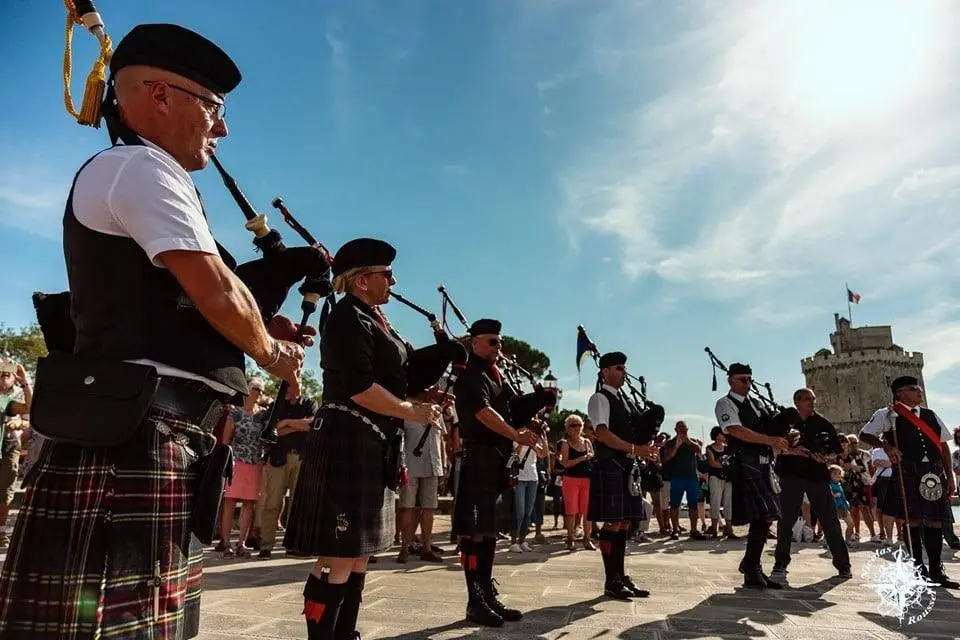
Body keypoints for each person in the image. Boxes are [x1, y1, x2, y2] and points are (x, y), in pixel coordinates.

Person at [0, 23, 313, 639]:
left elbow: (186, 303)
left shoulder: (148, 173)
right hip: (135, 437)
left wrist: (254, 325)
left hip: (150, 431)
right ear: (159, 95)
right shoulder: (140, 166)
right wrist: (273, 353)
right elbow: (217, 291)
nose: (222, 129)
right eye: (214, 108)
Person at [281, 238, 461, 638]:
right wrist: (410, 410)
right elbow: (360, 388)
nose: (393, 281)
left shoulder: (376, 320)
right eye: (387, 274)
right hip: (348, 438)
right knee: (338, 554)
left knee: (359, 555)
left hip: (372, 441)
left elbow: (405, 373)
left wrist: (447, 352)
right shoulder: (347, 319)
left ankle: (345, 632)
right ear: (362, 280)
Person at [451, 318, 555, 627]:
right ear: (475, 343)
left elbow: (512, 407)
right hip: (479, 455)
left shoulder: (496, 375)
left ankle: (486, 593)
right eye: (492, 341)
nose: (499, 346)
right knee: (475, 531)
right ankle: (475, 601)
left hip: (496, 459)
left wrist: (538, 406)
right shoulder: (471, 375)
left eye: (500, 340)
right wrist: (515, 434)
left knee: (489, 531)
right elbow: (484, 413)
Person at [859, 376, 959, 588]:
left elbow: (943, 447)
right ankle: (917, 568)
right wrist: (886, 446)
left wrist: (949, 476)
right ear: (900, 393)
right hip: (908, 470)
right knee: (912, 520)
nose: (919, 392)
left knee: (935, 521)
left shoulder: (930, 415)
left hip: (933, 471)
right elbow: (865, 434)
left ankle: (936, 569)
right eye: (914, 389)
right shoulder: (887, 414)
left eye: (919, 388)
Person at [586, 351, 661, 600]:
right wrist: (633, 449)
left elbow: (634, 432)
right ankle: (611, 580)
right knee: (613, 522)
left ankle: (620, 575)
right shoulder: (600, 398)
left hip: (627, 465)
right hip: (610, 463)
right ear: (605, 371)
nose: (623, 372)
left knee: (626, 521)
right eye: (618, 368)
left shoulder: (626, 400)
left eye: (624, 368)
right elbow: (602, 433)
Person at [713, 363, 789, 589]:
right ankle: (751, 567)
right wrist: (769, 441)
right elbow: (735, 430)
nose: (748, 384)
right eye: (742, 380)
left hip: (765, 464)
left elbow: (770, 431)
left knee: (765, 516)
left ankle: (751, 565)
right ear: (731, 381)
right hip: (746, 463)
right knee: (763, 515)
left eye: (749, 379)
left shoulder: (757, 404)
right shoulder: (725, 403)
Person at [769, 388, 850, 583]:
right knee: (786, 519)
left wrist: (824, 456)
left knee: (829, 519)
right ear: (797, 401)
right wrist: (794, 451)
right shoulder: (784, 419)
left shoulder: (823, 423)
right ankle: (780, 562)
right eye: (807, 399)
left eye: (813, 399)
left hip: (817, 475)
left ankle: (843, 564)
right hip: (791, 474)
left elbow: (836, 451)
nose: (811, 402)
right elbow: (772, 445)